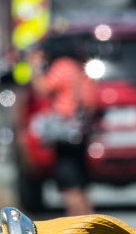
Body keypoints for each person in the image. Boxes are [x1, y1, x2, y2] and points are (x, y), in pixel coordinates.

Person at [31, 46, 98, 216]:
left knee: (69, 187)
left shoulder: (63, 66)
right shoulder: (79, 68)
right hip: (79, 131)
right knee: (79, 184)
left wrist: (35, 66)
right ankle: (89, 226)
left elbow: (41, 88)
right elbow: (91, 101)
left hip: (65, 133)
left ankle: (76, 229)